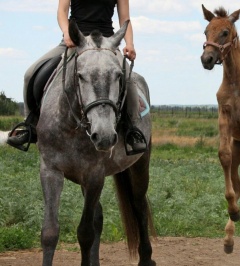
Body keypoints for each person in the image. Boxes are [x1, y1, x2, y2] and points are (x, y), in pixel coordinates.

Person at [7, 0, 146, 154]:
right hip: (76, 40)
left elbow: (125, 19)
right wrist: (67, 32)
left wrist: (130, 43)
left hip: (107, 44)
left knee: (130, 82)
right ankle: (30, 126)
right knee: (29, 74)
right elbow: (62, 11)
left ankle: (132, 131)